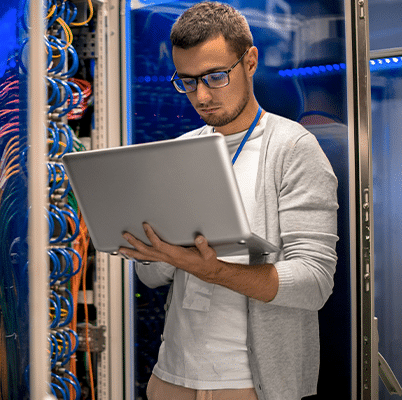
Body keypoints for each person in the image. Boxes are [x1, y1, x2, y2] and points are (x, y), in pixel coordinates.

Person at [119, 2, 339, 400]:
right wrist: (156, 254)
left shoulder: (292, 149)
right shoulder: (179, 152)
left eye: (215, 77)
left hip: (249, 386)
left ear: (250, 61)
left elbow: (315, 282)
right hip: (172, 378)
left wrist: (213, 270)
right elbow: (150, 278)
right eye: (187, 81)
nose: (201, 96)